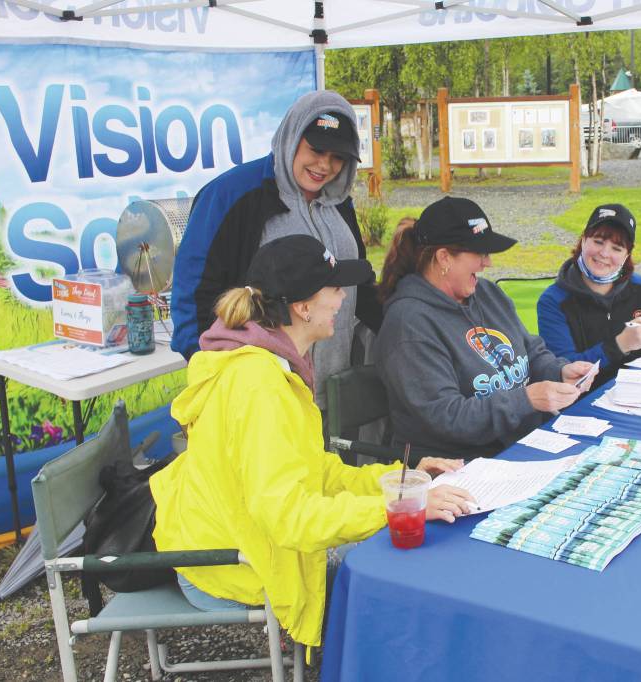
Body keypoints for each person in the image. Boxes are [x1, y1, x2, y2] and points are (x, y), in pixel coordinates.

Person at [152, 234, 474, 648]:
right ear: (302, 307)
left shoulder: (271, 365)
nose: (343, 298)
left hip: (243, 534)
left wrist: (404, 480)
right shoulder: (260, 386)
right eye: (334, 288)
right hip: (233, 561)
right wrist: (398, 509)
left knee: (403, 563)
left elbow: (314, 471)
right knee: (404, 591)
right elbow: (289, 516)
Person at [171, 89, 382, 405]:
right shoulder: (232, 195)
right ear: (292, 135)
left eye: (338, 157)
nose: (324, 165)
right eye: (316, 150)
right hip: (259, 399)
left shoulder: (339, 204)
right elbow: (192, 297)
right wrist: (215, 377)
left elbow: (357, 287)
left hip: (330, 392)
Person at [373, 197, 595, 461]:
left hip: (520, 445)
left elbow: (530, 350)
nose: (487, 263)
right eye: (480, 253)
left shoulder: (487, 294)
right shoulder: (408, 324)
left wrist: (559, 371)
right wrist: (526, 400)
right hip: (458, 466)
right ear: (444, 257)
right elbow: (447, 417)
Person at [537, 204, 641, 389]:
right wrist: (619, 345)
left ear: (627, 255)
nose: (604, 253)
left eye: (617, 248)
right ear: (584, 240)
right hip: (584, 403)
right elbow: (564, 371)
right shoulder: (554, 301)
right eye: (598, 241)